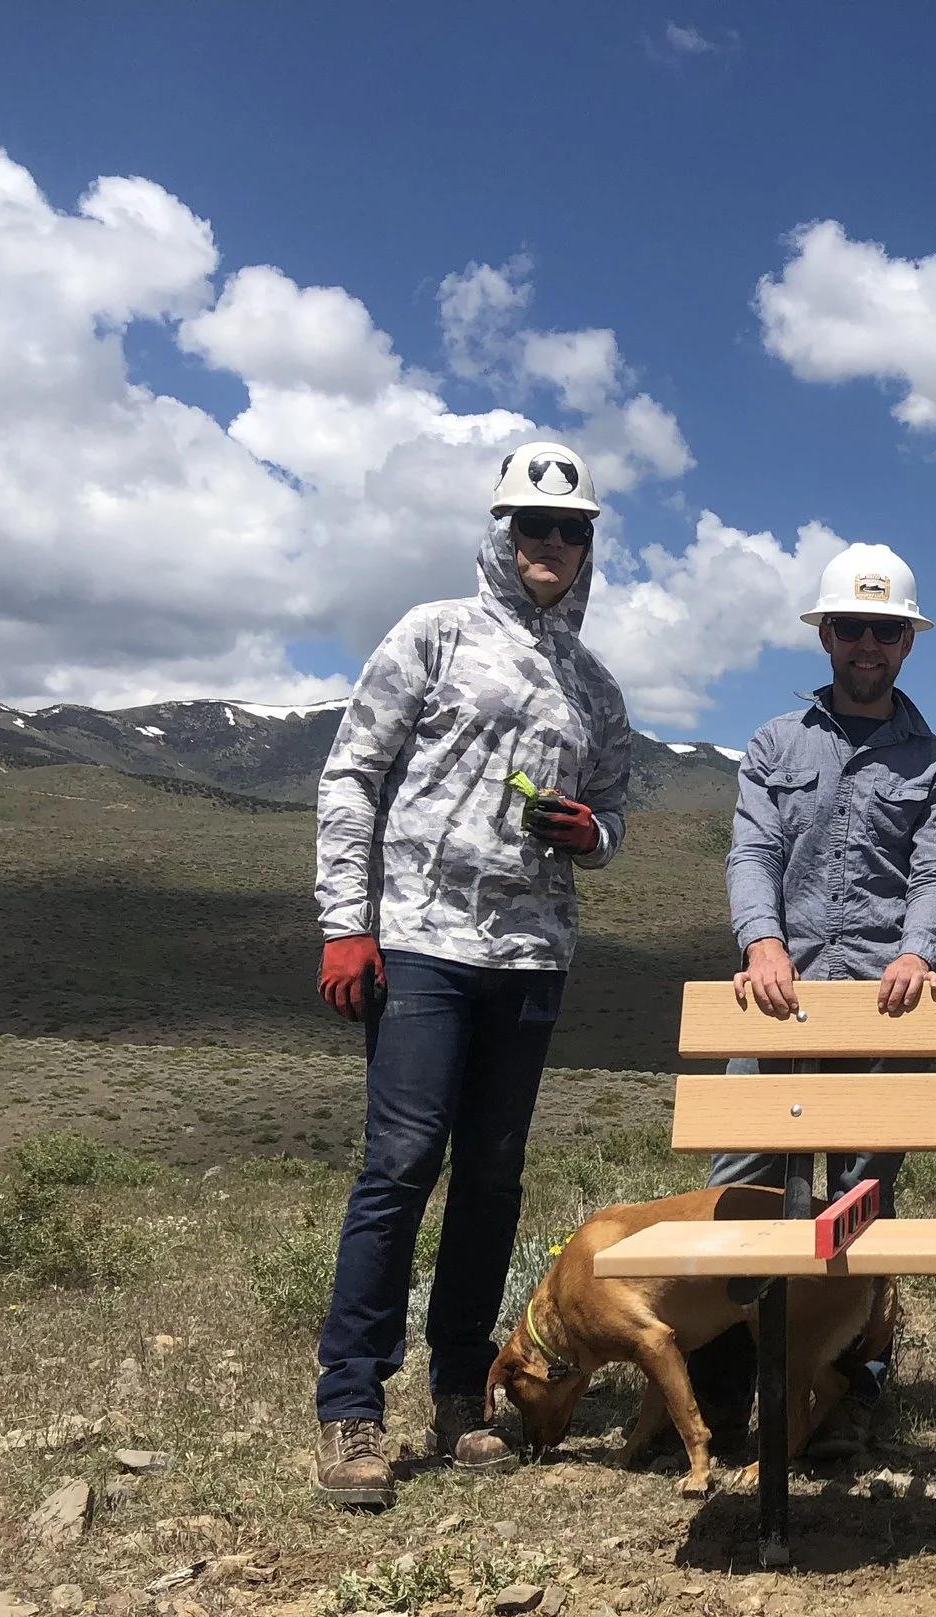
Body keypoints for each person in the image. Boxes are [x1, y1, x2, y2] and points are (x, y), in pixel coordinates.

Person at [309, 441, 632, 1509]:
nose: (551, 545)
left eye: (570, 530)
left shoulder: (593, 684)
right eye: (532, 527)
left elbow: (618, 812)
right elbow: (354, 771)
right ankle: (351, 1409)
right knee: (400, 1165)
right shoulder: (433, 633)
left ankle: (460, 1392)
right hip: (419, 940)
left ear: (589, 547)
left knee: (493, 1179)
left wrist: (595, 833)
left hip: (531, 952)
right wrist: (344, 923)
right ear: (500, 533)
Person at [704, 543, 936, 1458]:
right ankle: (721, 1391)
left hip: (885, 1012)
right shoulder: (776, 744)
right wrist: (761, 939)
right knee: (740, 1185)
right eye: (850, 627)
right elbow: (752, 854)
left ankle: (851, 1391)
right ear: (825, 633)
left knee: (864, 1198)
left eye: (884, 629)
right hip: (776, 998)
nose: (866, 644)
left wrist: (918, 951)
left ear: (907, 643)